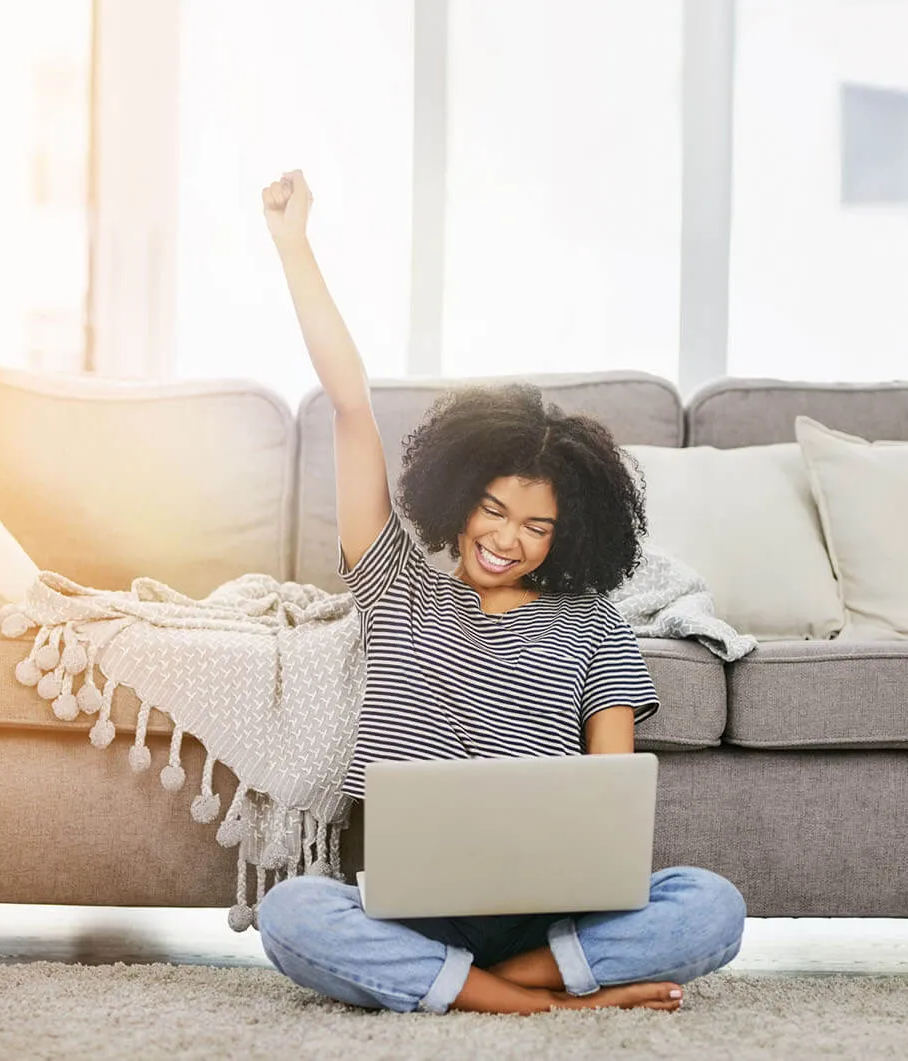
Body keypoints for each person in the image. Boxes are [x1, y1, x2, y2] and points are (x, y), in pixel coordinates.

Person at [252, 170, 746, 1016]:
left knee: (714, 905)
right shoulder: (398, 583)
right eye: (493, 508)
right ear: (462, 493)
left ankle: (474, 989)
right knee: (292, 912)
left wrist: (579, 875)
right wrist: (294, 246)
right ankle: (550, 1003)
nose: (506, 537)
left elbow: (608, 807)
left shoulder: (594, 624)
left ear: (571, 536)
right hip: (415, 910)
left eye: (536, 527)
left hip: (549, 917)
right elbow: (348, 405)